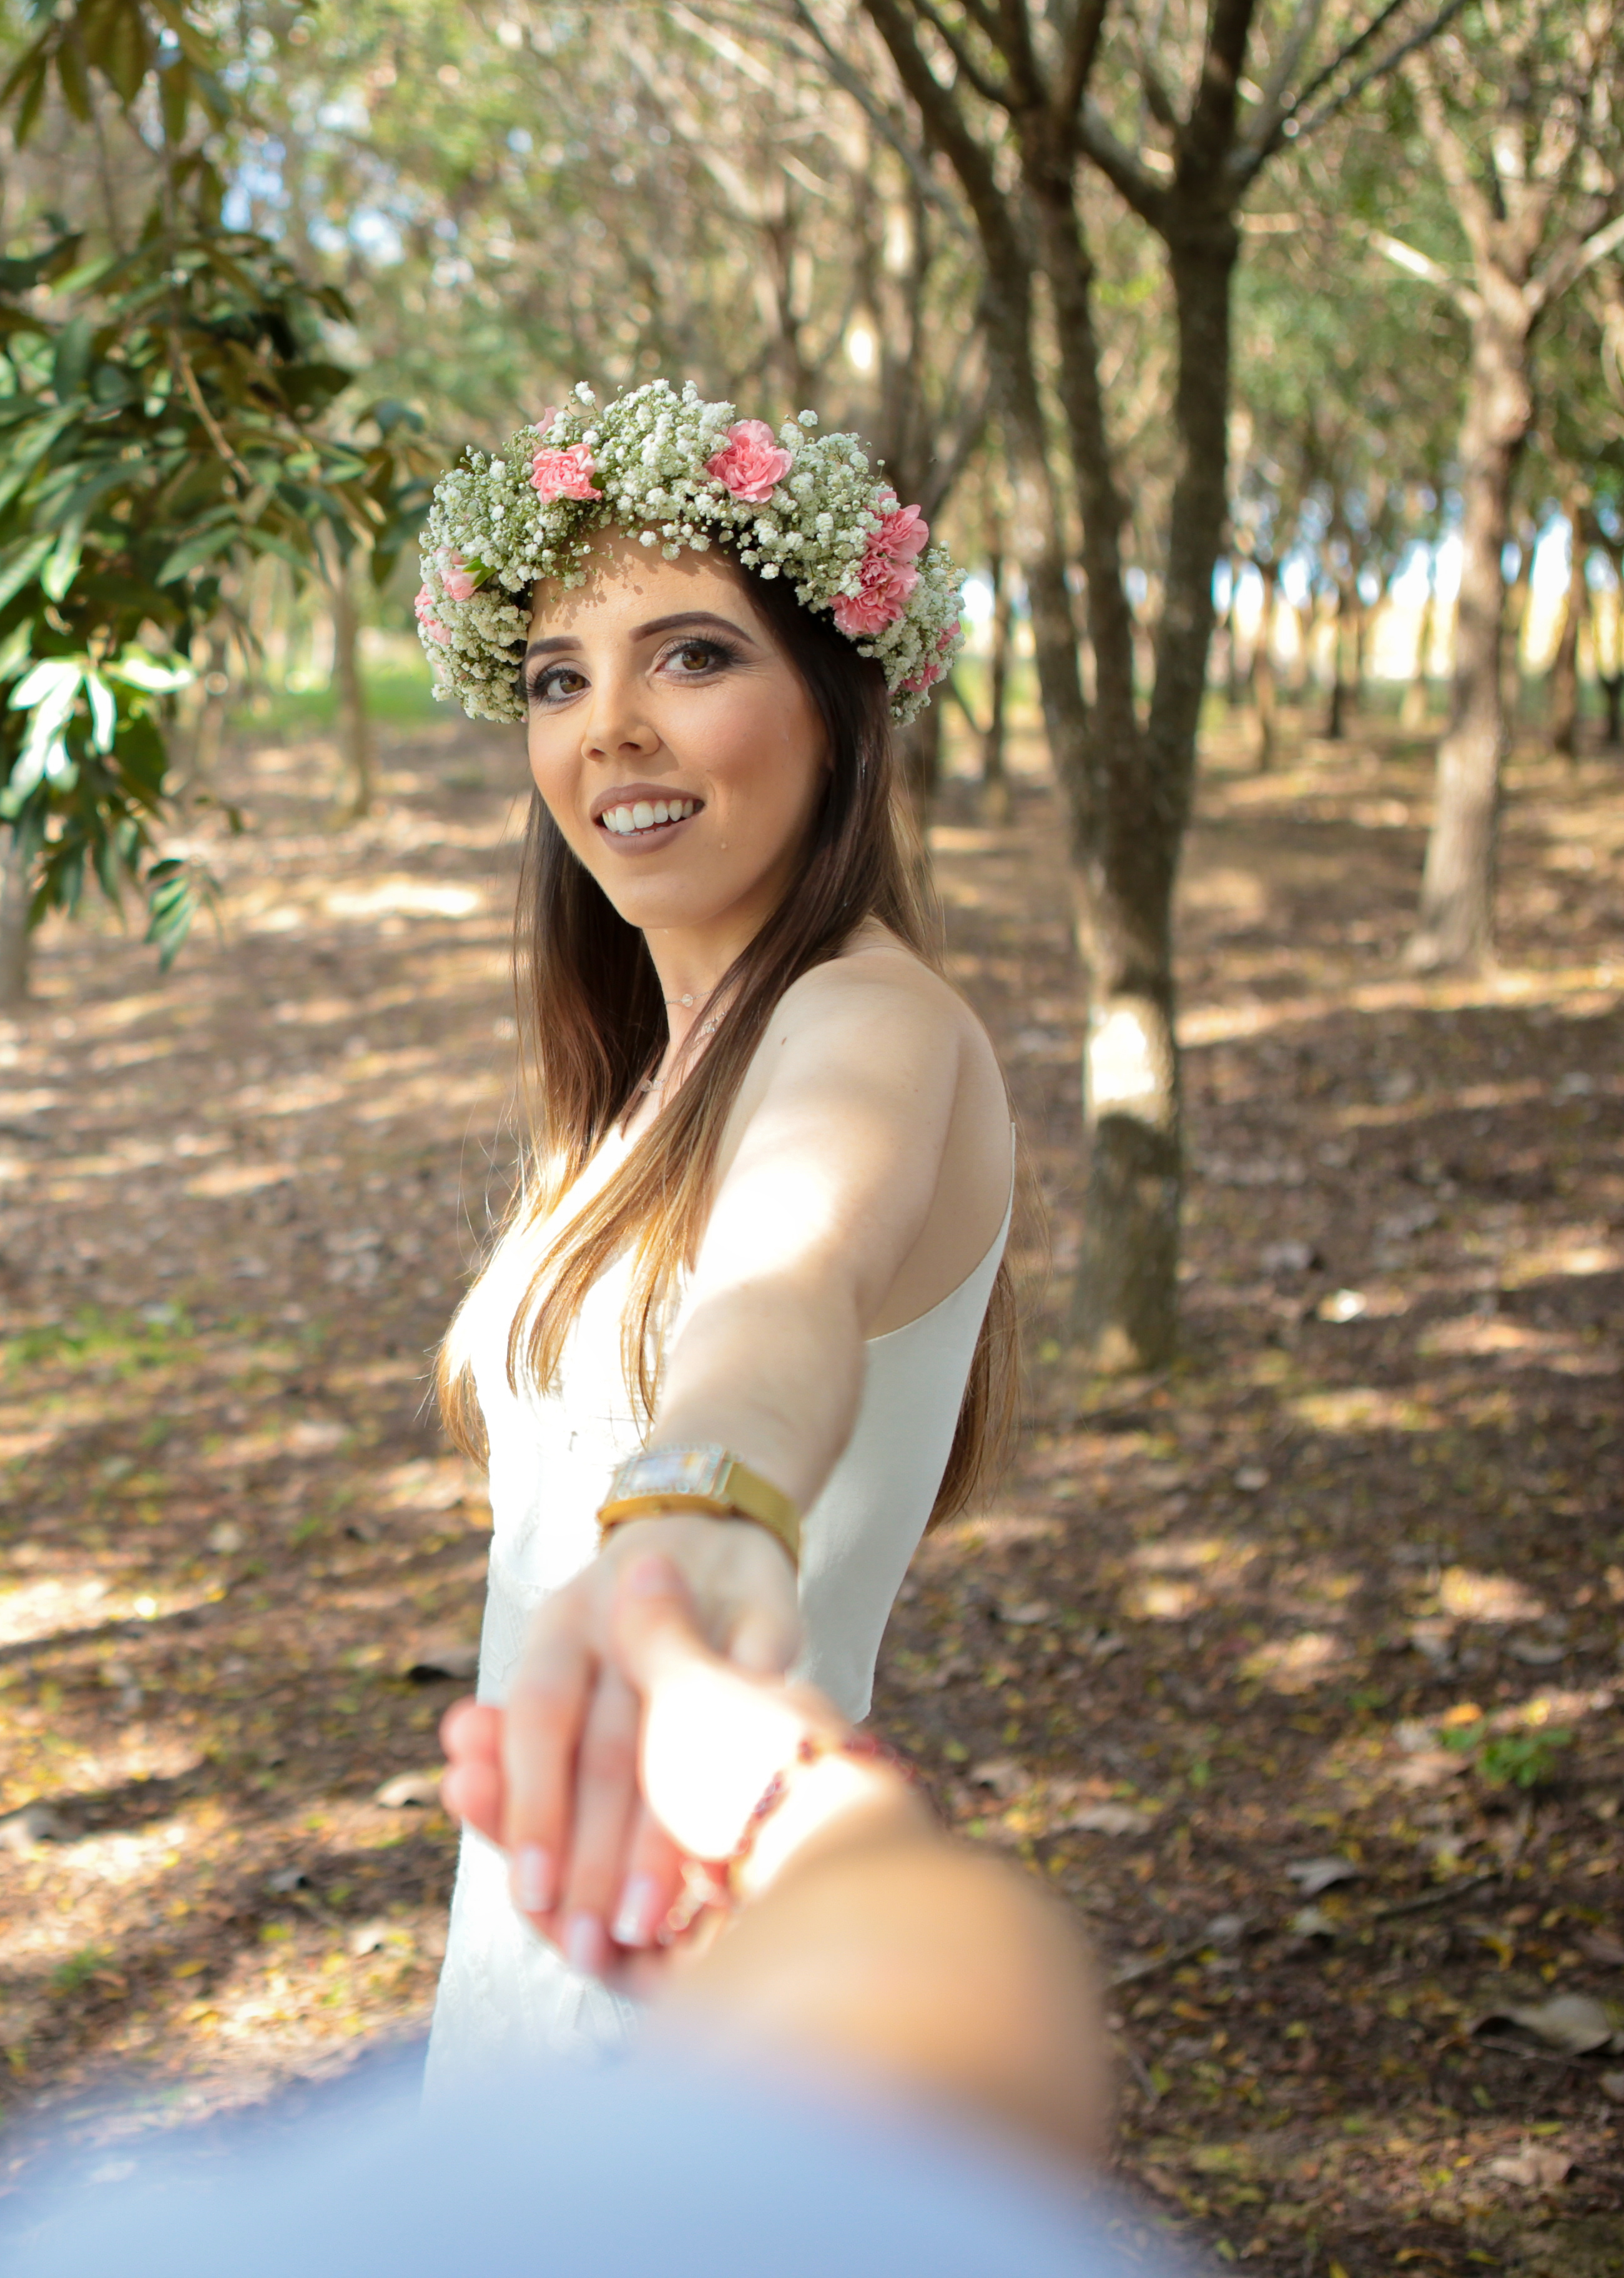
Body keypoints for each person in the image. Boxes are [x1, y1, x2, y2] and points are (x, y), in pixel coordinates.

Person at [406, 383, 1016, 2088]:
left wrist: (704, 1505)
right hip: (538, 1937)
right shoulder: (639, 1082)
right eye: (558, 677)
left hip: (697, 1989)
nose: (608, 728)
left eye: (689, 656)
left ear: (838, 708)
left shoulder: (869, 1029)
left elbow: (786, 1283)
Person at [0, 1570, 1133, 2277]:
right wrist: (804, 1818)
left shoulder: (857, 1054)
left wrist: (692, 1513)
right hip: (672, 1860)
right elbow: (952, 2059)